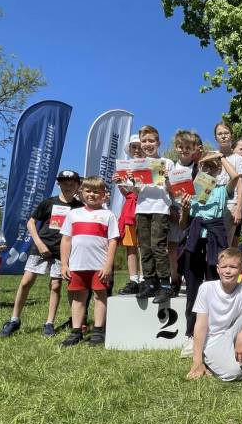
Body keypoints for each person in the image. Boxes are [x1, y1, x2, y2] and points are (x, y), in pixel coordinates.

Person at [0, 170, 83, 338]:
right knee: (25, 282)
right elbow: (31, 223)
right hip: (41, 247)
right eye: (64, 182)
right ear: (58, 183)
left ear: (78, 185)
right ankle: (14, 320)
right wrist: (39, 243)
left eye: (72, 182)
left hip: (62, 251)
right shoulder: (48, 202)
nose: (68, 185)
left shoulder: (80, 207)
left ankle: (49, 323)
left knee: (56, 286)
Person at [178, 151, 240, 358]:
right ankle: (191, 335)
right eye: (205, 166)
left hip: (216, 240)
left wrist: (220, 157)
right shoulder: (191, 192)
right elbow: (183, 225)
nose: (208, 169)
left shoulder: (222, 190)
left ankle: (215, 335)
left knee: (216, 288)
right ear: (199, 169)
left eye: (212, 167)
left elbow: (236, 177)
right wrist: (185, 209)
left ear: (218, 170)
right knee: (193, 290)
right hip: (195, 240)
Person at [57, 176, 119, 347]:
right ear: (81, 193)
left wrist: (108, 265)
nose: (92, 194)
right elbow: (66, 240)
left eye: (96, 192)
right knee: (78, 298)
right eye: (88, 191)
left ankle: (98, 330)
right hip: (77, 265)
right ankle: (76, 331)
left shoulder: (108, 215)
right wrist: (64, 264)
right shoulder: (73, 214)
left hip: (99, 266)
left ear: (103, 194)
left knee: (100, 296)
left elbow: (113, 241)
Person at [187, 247, 242, 382]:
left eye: (233, 267)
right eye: (224, 267)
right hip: (213, 341)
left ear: (241, 271)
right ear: (218, 269)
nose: (228, 271)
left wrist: (241, 336)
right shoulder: (206, 288)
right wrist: (197, 361)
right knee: (234, 374)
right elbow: (201, 325)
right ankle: (211, 361)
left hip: (232, 334)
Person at [132, 125, 176, 303]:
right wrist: (128, 180)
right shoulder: (137, 163)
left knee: (158, 246)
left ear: (158, 143)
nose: (147, 144)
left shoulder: (167, 162)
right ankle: (149, 283)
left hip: (160, 208)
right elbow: (137, 191)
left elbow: (173, 191)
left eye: (151, 140)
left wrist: (167, 179)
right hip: (142, 208)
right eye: (144, 141)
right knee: (144, 247)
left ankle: (165, 286)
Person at [166, 130, 202, 297]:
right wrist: (171, 208)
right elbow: (166, 191)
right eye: (181, 147)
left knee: (191, 249)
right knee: (172, 249)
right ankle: (174, 280)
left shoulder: (198, 168)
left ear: (194, 149)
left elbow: (201, 192)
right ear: (176, 148)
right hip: (174, 212)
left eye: (188, 147)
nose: (184, 150)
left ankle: (192, 281)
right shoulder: (171, 167)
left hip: (192, 213)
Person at [213, 121, 242, 246]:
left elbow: (240, 185)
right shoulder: (211, 155)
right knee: (210, 244)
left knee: (225, 244)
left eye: (226, 133)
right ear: (215, 137)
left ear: (231, 136)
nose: (223, 136)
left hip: (231, 205)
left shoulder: (238, 159)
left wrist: (238, 209)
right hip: (212, 205)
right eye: (220, 134)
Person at [116, 134, 143, 295]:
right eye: (134, 147)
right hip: (130, 207)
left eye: (140, 146)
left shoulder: (150, 165)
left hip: (147, 206)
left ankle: (146, 278)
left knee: (144, 245)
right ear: (130, 149)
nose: (137, 150)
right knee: (131, 245)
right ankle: (134, 279)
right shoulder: (124, 167)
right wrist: (119, 182)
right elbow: (126, 192)